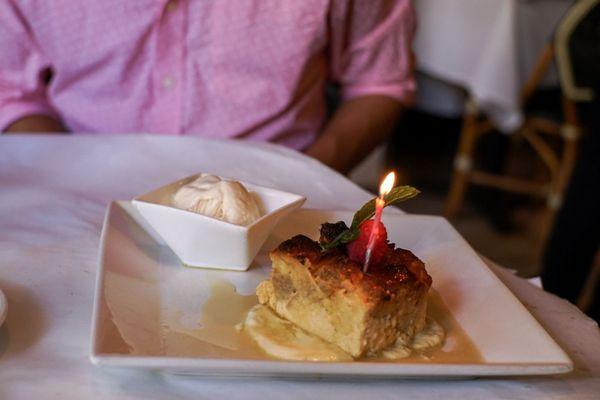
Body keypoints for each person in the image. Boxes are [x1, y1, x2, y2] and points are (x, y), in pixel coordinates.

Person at [0, 0, 416, 173]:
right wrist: (75, 178)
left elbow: (377, 81)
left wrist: (306, 177)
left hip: (282, 196)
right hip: (84, 190)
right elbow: (12, 93)